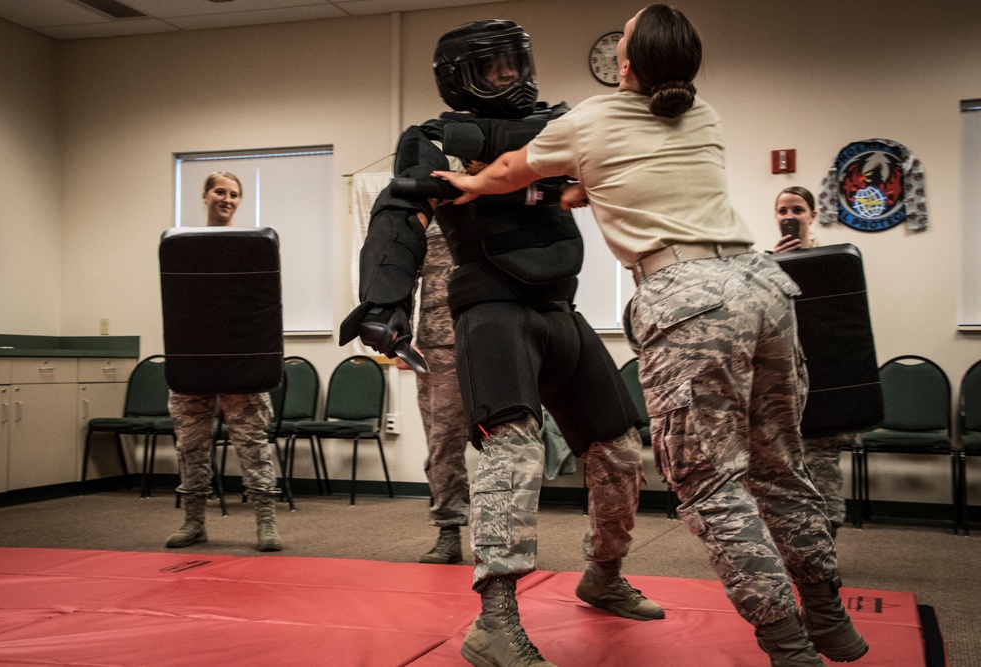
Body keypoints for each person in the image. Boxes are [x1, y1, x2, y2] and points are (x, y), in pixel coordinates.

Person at [433, 6, 868, 666]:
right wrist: (572, 193)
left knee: (715, 489)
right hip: (764, 288)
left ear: (625, 63)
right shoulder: (705, 116)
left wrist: (468, 183)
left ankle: (790, 646)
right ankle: (830, 617)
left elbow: (511, 169)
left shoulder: (590, 118)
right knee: (781, 471)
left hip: (690, 299)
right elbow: (605, 182)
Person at [340, 20, 663, 667]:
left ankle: (603, 572)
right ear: (460, 76)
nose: (509, 77)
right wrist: (384, 300)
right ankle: (495, 620)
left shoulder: (556, 125)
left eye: (516, 63)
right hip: (492, 311)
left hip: (558, 311)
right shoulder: (433, 141)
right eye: (493, 68)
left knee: (623, 454)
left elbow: (579, 147)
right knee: (512, 457)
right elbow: (400, 214)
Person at [164, 171, 283, 553]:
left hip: (242, 364)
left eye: (234, 194)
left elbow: (262, 309)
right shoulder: (183, 248)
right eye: (219, 191)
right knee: (191, 446)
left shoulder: (253, 247)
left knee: (253, 446)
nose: (226, 198)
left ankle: (265, 522)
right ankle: (193, 522)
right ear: (204, 196)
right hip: (193, 361)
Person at [773, 185, 849, 537]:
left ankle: (826, 544)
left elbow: (844, 321)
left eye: (798, 210)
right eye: (783, 211)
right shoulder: (765, 265)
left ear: (813, 216)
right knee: (781, 469)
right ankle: (791, 545)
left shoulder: (833, 263)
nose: (790, 217)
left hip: (823, 378)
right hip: (780, 381)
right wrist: (774, 267)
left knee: (822, 466)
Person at [408, 219, 470, 564]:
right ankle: (449, 532)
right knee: (442, 441)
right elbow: (398, 277)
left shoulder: (490, 200)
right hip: (436, 346)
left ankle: (509, 537)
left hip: (485, 333)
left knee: (508, 439)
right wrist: (398, 336)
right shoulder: (421, 218)